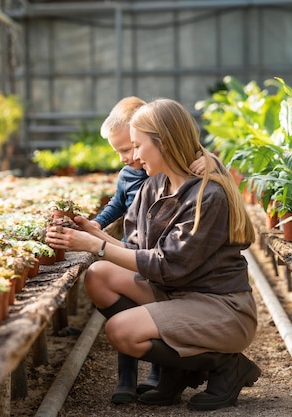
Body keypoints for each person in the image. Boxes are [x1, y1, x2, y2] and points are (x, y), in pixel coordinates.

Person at [46, 98, 260, 411]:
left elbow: (167, 265)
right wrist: (93, 233)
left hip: (221, 308)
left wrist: (96, 247)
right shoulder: (154, 186)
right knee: (99, 275)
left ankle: (228, 365)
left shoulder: (207, 196)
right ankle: (177, 369)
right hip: (178, 294)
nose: (129, 157)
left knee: (121, 332)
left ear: (163, 142)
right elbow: (138, 252)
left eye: (135, 146)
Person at [90, 96, 211, 404]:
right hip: (138, 250)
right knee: (126, 303)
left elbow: (211, 177)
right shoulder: (130, 175)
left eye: (130, 147)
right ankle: (127, 375)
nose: (125, 157)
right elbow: (116, 205)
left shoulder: (171, 175)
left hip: (165, 257)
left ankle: (163, 369)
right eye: (119, 150)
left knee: (154, 309)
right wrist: (95, 226)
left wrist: (211, 161)